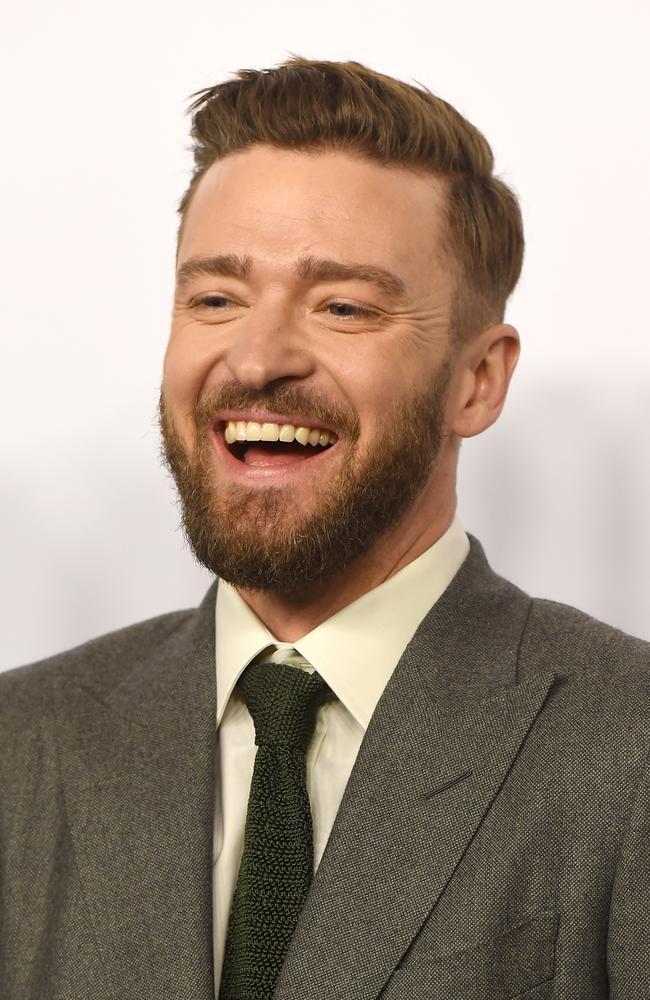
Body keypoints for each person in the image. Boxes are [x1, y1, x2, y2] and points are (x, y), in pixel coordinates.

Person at [1, 55, 648, 1000]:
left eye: (343, 306)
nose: (257, 359)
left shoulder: (627, 746)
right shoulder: (21, 746)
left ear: (478, 381)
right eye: (216, 299)